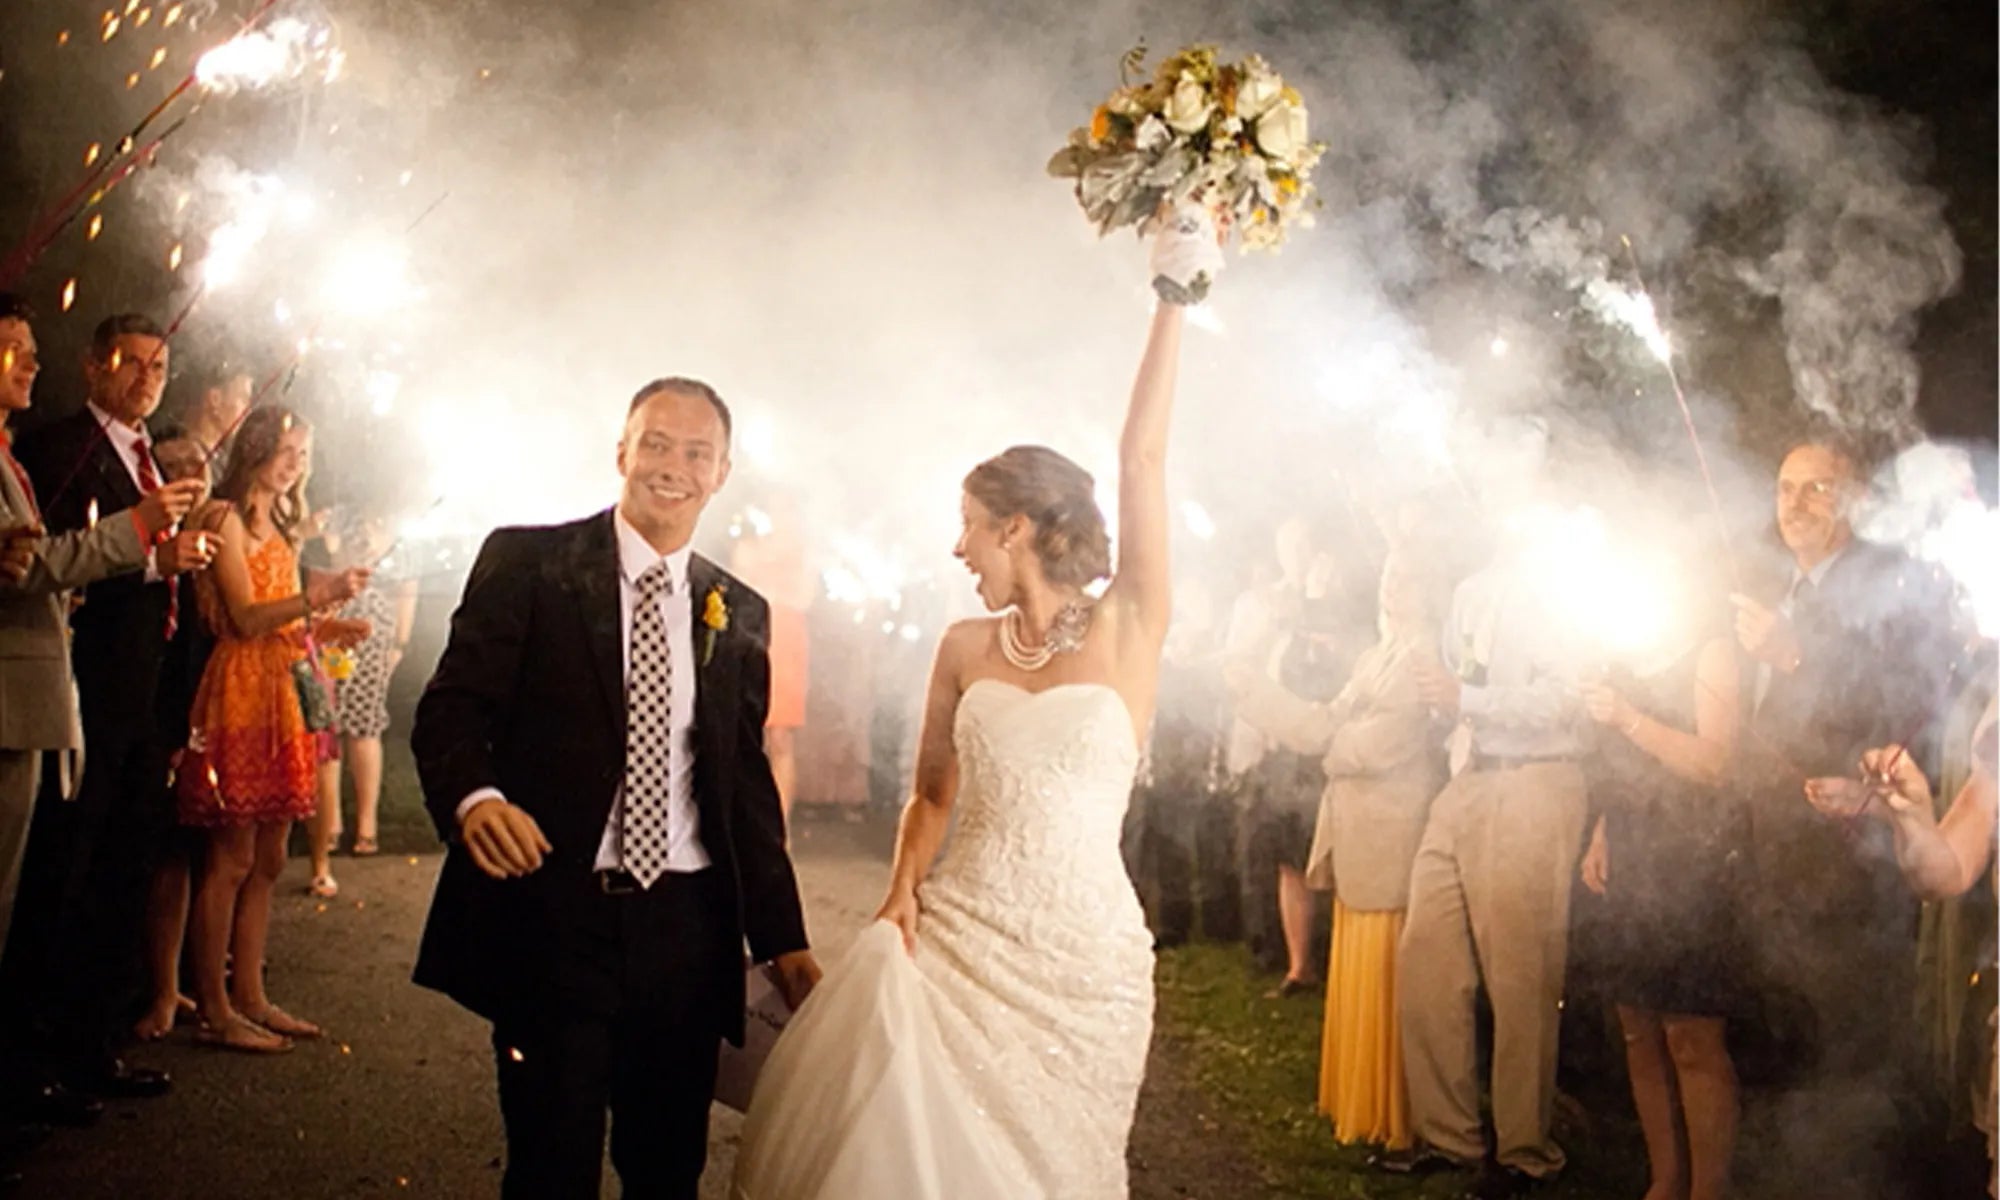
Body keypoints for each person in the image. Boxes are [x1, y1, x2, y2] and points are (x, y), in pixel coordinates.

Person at [733, 214, 1208, 1200]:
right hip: (958, 943)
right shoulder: (961, 648)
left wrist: (1173, 295)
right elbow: (931, 793)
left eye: (968, 530)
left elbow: (1143, 460)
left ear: (1019, 528)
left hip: (1083, 961)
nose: (956, 551)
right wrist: (905, 885)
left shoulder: (1128, 628)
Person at [410, 376, 820, 1199]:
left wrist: (785, 939)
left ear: (721, 472)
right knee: (550, 1165)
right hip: (558, 916)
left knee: (667, 1169)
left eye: (696, 452)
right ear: (622, 452)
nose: (673, 465)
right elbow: (451, 710)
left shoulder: (735, 607)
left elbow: (743, 788)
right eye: (657, 444)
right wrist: (476, 799)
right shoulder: (530, 563)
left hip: (689, 932)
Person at [1730, 440, 1953, 1199]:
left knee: (1851, 1070)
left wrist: (1794, 659)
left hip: (1853, 875)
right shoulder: (1779, 590)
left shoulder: (1886, 586)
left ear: (1853, 501)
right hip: (1775, 863)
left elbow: (1903, 710)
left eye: (1815, 489)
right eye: (1784, 487)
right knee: (1783, 1062)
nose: (1792, 504)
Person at [5, 313, 212, 1124]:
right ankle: (39, 1055)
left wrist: (167, 558)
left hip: (140, 699)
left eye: (160, 367)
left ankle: (95, 1044)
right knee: (66, 876)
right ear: (95, 367)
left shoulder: (147, 454)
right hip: (79, 687)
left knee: (122, 872)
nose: (147, 380)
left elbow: (135, 558)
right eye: (132, 364)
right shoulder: (59, 449)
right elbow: (61, 560)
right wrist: (148, 545)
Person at [1225, 544, 1447, 1151]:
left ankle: (1392, 1114)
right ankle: (1359, 1102)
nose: (1391, 587)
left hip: (1393, 823)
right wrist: (1254, 692)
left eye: (1406, 578)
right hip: (1357, 823)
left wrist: (1324, 742)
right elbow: (1325, 720)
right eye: (1389, 576)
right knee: (1359, 952)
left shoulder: (1424, 656)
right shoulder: (1379, 655)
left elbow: (1380, 744)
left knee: (1385, 960)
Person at [1391, 525, 1591, 1199]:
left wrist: (1464, 699)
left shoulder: (1567, 585)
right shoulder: (1472, 590)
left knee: (1521, 975)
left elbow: (1568, 698)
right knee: (1426, 956)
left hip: (1536, 778)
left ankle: (1524, 1155)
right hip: (1470, 777)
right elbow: (1457, 681)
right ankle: (1450, 1138)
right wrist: (1445, 706)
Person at [176, 407, 368, 1053]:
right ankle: (214, 1006)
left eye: (303, 453)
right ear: (255, 447)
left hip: (286, 686)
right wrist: (318, 596)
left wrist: (326, 625)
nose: (295, 463)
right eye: (286, 449)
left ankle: (252, 995)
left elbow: (284, 613)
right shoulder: (223, 518)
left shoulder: (281, 522)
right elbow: (247, 617)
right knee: (230, 857)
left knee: (269, 856)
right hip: (240, 689)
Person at [1577, 583, 1747, 1200]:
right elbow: (1619, 765)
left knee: (1691, 1036)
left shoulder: (1712, 652)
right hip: (1633, 852)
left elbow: (1714, 764)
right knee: (1637, 1028)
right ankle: (1664, 1180)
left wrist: (1628, 716)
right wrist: (1601, 830)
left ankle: (1709, 1191)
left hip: (1693, 860)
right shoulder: (1626, 655)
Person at [133, 424, 219, 1040]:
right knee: (159, 851)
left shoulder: (218, 533)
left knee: (196, 851)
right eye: (176, 462)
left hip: (214, 709)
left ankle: (188, 979)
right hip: (161, 711)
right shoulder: (154, 538)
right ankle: (156, 989)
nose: (192, 468)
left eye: (199, 460)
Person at [308, 508, 419, 896]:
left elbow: (407, 583)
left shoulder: (394, 524)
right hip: (331, 624)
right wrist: (331, 543)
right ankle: (331, 824)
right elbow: (319, 569)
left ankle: (367, 826)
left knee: (365, 722)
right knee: (330, 722)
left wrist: (400, 641)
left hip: (374, 630)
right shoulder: (337, 516)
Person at [175, 365, 252, 478]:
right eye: (243, 398)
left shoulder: (222, 461)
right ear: (214, 398)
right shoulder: (182, 455)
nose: (248, 410)